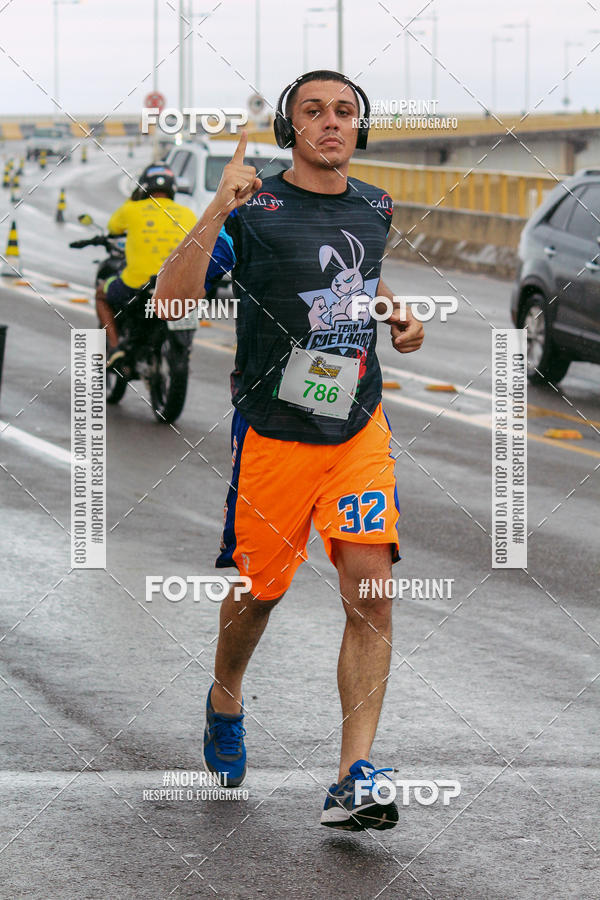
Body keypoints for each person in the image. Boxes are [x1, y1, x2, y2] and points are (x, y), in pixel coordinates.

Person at [154, 70, 425, 831]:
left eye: (345, 112)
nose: (332, 122)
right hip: (274, 431)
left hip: (357, 426)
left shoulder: (376, 205)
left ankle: (354, 775)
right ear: (289, 128)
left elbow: (350, 282)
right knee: (259, 595)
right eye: (314, 111)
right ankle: (225, 697)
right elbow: (174, 300)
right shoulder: (256, 207)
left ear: (359, 129)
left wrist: (396, 314)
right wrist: (217, 206)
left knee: (371, 582)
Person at [96, 164, 197, 367]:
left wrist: (134, 199)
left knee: (101, 295)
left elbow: (113, 227)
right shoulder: (187, 214)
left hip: (137, 285)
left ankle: (115, 348)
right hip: (177, 286)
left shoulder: (132, 209)